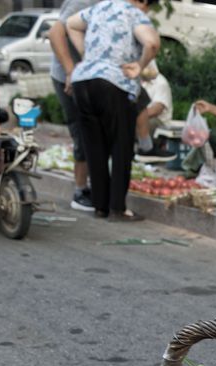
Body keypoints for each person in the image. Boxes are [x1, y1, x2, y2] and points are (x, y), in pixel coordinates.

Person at [67, 0, 161, 221]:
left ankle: (100, 206)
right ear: (143, 2)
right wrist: (140, 64)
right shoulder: (133, 13)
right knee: (121, 146)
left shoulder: (99, 7)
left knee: (94, 146)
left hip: (83, 80)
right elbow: (152, 43)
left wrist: (87, 55)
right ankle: (118, 208)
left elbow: (70, 24)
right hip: (114, 83)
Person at [48, 0, 100, 212]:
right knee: (83, 129)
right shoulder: (83, 1)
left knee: (98, 130)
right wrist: (71, 71)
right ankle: (80, 191)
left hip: (92, 76)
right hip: (68, 76)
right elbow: (55, 34)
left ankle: (97, 186)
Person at [135, 60, 176, 163]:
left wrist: (136, 116)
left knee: (140, 123)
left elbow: (157, 109)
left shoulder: (160, 83)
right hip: (143, 117)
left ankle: (146, 149)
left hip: (158, 122)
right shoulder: (137, 81)